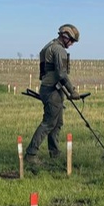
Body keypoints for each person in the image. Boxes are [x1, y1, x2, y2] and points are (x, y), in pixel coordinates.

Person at [25, 24, 81, 166]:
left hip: (48, 88)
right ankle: (31, 155)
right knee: (49, 122)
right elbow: (61, 73)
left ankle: (54, 153)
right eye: (72, 41)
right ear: (65, 37)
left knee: (57, 123)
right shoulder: (59, 50)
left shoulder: (48, 46)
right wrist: (72, 91)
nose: (72, 44)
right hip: (52, 90)